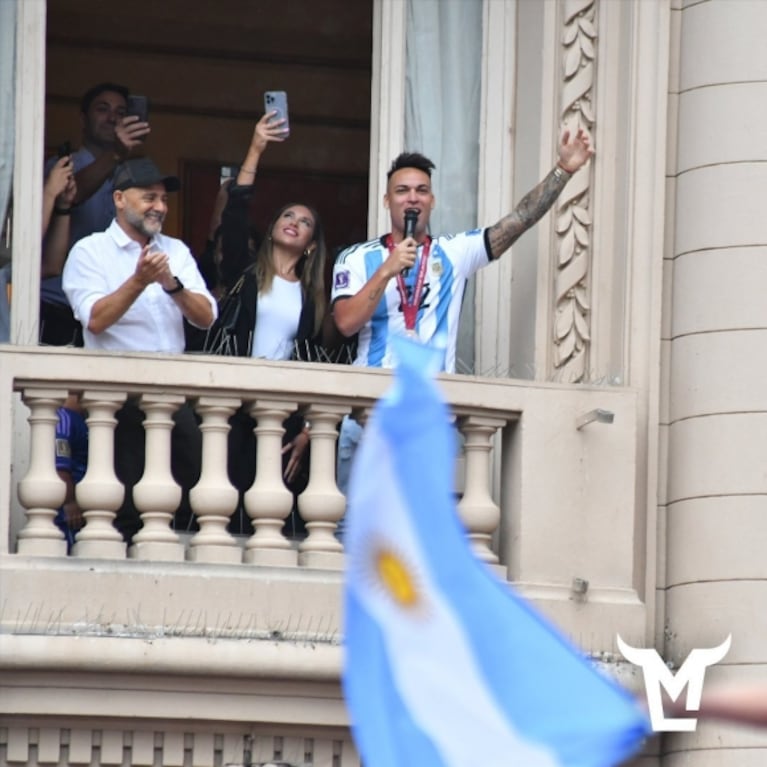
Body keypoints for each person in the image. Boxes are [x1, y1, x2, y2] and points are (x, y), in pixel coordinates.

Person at [331, 129, 594, 505]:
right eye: (403, 190)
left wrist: (562, 171)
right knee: (352, 532)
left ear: (432, 201)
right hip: (368, 412)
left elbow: (518, 220)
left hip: (426, 416)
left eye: (421, 190)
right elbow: (345, 323)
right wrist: (387, 271)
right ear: (387, 200)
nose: (412, 198)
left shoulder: (454, 252)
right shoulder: (356, 258)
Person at [62, 156, 217, 541]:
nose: (160, 207)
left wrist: (171, 285)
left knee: (192, 494)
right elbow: (95, 318)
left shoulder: (175, 250)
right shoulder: (90, 251)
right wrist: (138, 281)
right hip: (117, 399)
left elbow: (206, 316)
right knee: (126, 510)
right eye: (150, 197)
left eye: (164, 199)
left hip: (172, 395)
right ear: (119, 199)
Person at [202, 111, 335, 537]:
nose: (293, 221)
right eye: (287, 216)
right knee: (226, 507)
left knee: (277, 515)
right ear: (275, 226)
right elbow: (236, 215)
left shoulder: (314, 300)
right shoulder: (245, 273)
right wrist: (256, 148)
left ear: (312, 245)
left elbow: (324, 361)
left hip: (285, 415)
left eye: (304, 221)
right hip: (235, 405)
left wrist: (311, 428)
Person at [41, 81, 150, 346]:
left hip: (112, 311)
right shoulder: (62, 166)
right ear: (83, 117)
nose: (113, 117)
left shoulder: (134, 176)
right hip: (57, 308)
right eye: (103, 109)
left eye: (121, 112)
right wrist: (115, 154)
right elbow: (73, 194)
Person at [54, 395, 88, 552]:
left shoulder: (81, 419)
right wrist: (70, 502)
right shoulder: (63, 419)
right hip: (68, 514)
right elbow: (61, 468)